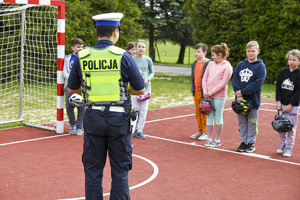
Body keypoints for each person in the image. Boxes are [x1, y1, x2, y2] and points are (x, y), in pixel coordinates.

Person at [67, 13, 145, 199]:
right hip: (119, 119)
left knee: (93, 170)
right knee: (120, 169)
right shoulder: (124, 56)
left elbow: (72, 89)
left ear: (96, 31)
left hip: (93, 116)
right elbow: (140, 89)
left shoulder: (82, 56)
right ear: (115, 32)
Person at [232, 41, 267, 153]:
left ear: (258, 51)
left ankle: (251, 143)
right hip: (240, 100)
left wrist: (243, 92)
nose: (250, 53)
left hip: (253, 100)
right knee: (242, 122)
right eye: (248, 51)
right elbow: (235, 79)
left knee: (252, 122)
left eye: (253, 51)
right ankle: (243, 142)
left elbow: (257, 83)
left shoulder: (260, 66)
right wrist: (238, 93)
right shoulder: (240, 65)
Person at [202, 43, 233, 148]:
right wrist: (206, 92)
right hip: (208, 96)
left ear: (219, 55)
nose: (211, 57)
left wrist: (210, 93)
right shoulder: (210, 64)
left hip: (219, 96)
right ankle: (209, 138)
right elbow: (204, 78)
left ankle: (217, 140)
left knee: (218, 117)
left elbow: (223, 83)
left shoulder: (227, 67)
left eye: (213, 55)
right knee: (209, 116)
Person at [275, 49, 300, 157]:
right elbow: (278, 87)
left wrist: (291, 104)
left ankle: (289, 147)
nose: (291, 62)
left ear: (299, 61)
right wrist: (278, 101)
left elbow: (298, 92)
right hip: (282, 105)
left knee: (290, 128)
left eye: (294, 60)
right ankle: (283, 142)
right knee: (280, 126)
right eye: (290, 59)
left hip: (292, 106)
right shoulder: (283, 72)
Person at [131, 39, 154, 139]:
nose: (141, 49)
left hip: (146, 89)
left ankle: (139, 130)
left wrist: (147, 79)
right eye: (139, 47)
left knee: (143, 110)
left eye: (143, 47)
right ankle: (132, 130)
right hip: (134, 89)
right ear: (135, 48)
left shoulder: (148, 59)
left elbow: (152, 72)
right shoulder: (131, 59)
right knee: (134, 110)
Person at [63, 38, 85, 135]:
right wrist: (73, 80)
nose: (80, 49)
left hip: (81, 86)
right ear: (72, 48)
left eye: (81, 47)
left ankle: (79, 126)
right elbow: (64, 72)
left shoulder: (85, 58)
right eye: (78, 47)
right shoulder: (67, 58)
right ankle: (72, 124)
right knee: (69, 106)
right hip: (70, 86)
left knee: (81, 106)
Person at [190, 43, 211, 140]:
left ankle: (206, 132)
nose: (196, 53)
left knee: (204, 113)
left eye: (199, 52)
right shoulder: (194, 63)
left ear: (205, 52)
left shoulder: (208, 63)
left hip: (204, 93)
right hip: (196, 92)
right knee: (197, 113)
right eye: (195, 51)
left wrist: (208, 91)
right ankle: (200, 130)